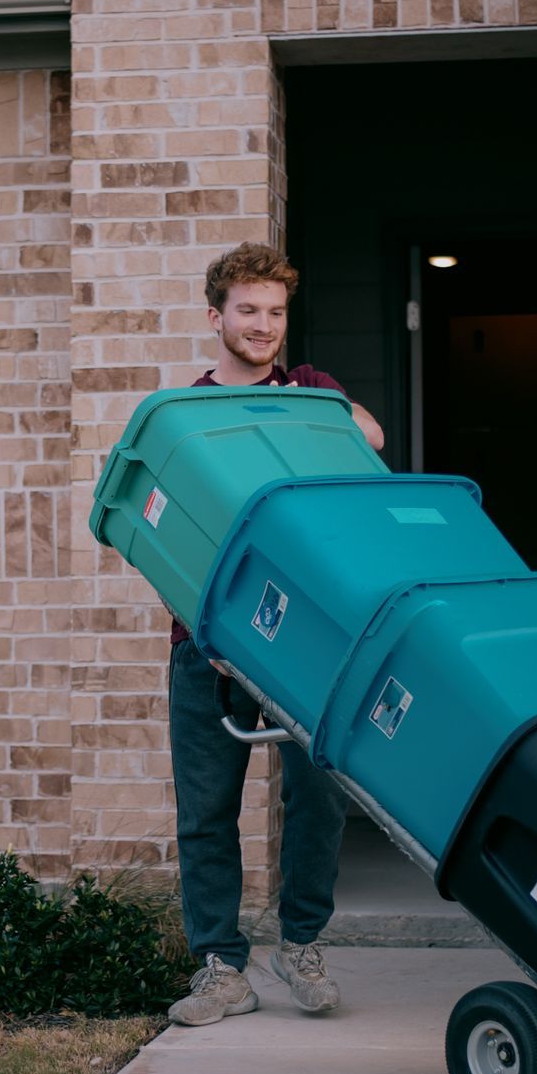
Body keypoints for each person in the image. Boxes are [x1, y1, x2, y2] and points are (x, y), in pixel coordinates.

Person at [166, 242, 386, 1028]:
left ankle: (300, 946)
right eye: (248, 311)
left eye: (275, 313)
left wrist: (312, 414)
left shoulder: (310, 389)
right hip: (207, 639)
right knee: (206, 808)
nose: (263, 326)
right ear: (215, 317)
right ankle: (222, 970)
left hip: (303, 641)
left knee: (319, 796)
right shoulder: (185, 416)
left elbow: (370, 438)